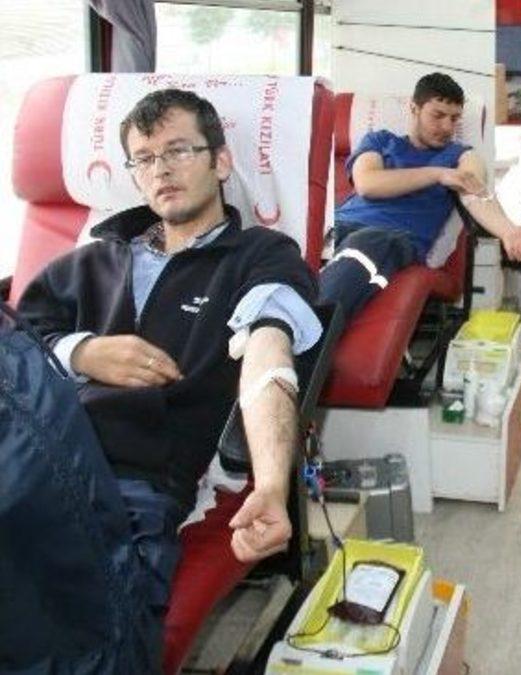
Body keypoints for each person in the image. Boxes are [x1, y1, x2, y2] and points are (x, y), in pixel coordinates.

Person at [6, 88, 321, 672]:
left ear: (220, 162)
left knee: (97, 639)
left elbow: (268, 350)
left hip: (130, 478)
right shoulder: (90, 261)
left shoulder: (259, 255)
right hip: (30, 452)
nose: (161, 170)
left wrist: (273, 485)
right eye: (145, 158)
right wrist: (83, 351)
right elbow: (19, 342)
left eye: (178, 151)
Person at [319, 72, 521, 318]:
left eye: (454, 118)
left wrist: (509, 232)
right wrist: (438, 174)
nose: (447, 127)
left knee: (367, 243)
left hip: (387, 239)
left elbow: (475, 194)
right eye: (438, 115)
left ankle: (310, 328)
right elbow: (367, 184)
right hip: (337, 226)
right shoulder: (379, 141)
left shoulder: (461, 156)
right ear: (414, 108)